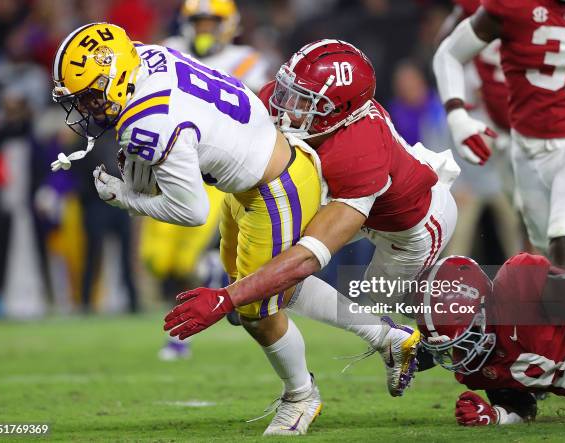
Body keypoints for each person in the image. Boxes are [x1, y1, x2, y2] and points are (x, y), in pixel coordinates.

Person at [50, 24, 416, 436]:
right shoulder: (147, 56)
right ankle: (386, 336)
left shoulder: (145, 121)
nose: (86, 107)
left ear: (115, 76)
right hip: (253, 176)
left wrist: (127, 198)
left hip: (273, 189)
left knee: (255, 309)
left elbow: (189, 211)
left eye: (89, 95)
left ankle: (301, 396)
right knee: (261, 286)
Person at [163, 39, 460, 384]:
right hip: (349, 197)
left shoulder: (359, 152)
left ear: (340, 112)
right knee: (274, 276)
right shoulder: (293, 101)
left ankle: (481, 317)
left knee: (382, 302)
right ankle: (393, 339)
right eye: (290, 91)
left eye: (305, 101)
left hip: (411, 226)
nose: (286, 107)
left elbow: (308, 258)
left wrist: (230, 298)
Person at [152, 0, 272, 359]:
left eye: (211, 21)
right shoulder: (167, 51)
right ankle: (215, 291)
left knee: (198, 258)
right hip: (172, 167)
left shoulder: (248, 60)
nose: (204, 29)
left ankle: (182, 334)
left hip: (217, 172)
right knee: (158, 259)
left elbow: (258, 115)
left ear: (229, 23)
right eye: (198, 21)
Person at [432, 0, 565, 274]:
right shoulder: (511, 5)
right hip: (521, 143)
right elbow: (448, 52)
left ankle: (561, 313)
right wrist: (458, 115)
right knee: (547, 249)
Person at [413, 253, 565, 426]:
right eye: (452, 346)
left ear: (483, 311)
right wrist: (495, 416)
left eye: (465, 338)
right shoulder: (476, 367)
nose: (461, 352)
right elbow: (522, 408)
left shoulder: (517, 289)